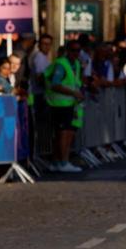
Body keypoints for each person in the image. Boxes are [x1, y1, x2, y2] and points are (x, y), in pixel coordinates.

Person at [44, 41, 86, 173]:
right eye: (73, 50)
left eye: (78, 50)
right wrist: (74, 93)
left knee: (67, 133)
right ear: (67, 50)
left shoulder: (77, 64)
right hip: (59, 104)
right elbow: (55, 84)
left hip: (70, 104)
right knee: (63, 134)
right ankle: (63, 162)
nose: (76, 53)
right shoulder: (61, 64)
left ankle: (58, 161)